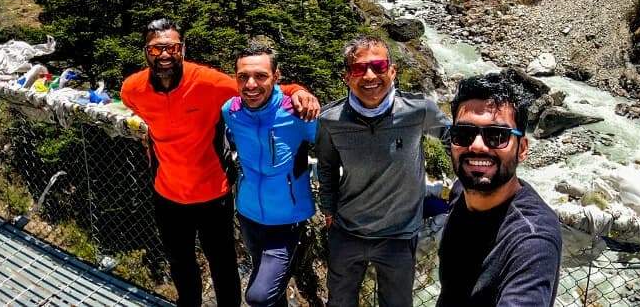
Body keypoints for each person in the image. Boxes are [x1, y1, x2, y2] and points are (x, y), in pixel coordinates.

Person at [120, 18, 320, 307]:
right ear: (145, 52)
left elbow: (257, 87)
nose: (164, 55)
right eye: (156, 49)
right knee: (180, 262)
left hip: (213, 192)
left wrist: (298, 90)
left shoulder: (208, 82)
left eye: (172, 48)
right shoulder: (133, 89)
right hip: (166, 191)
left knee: (222, 264)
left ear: (183, 50)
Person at [316, 34, 451, 307]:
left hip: (399, 234)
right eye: (359, 68)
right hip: (348, 230)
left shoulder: (417, 109)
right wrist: (329, 210)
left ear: (392, 71)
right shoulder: (331, 120)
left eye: (378, 67)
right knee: (340, 302)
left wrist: (470, 184)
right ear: (347, 76)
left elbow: (453, 138)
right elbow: (327, 166)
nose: (369, 76)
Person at [437, 72, 562, 307]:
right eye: (464, 134)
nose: (477, 145)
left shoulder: (532, 240)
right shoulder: (460, 193)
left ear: (522, 149)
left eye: (497, 135)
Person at [221, 43, 316, 307]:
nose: (251, 84)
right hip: (249, 214)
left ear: (276, 76)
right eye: (243, 77)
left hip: (287, 221)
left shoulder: (297, 113)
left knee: (258, 296)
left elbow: (332, 149)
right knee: (272, 295)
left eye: (261, 76)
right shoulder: (231, 111)